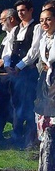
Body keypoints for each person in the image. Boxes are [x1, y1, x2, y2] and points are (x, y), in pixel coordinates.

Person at [7, 0, 41, 149]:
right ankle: (16, 136)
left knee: (28, 105)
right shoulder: (15, 30)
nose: (20, 13)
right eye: (19, 11)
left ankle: (29, 140)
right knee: (16, 104)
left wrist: (19, 67)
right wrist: (8, 66)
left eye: (23, 10)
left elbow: (34, 51)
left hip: (28, 72)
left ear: (31, 10)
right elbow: (8, 50)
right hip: (15, 73)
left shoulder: (37, 28)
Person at [0, 8, 18, 144]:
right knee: (1, 105)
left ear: (11, 19)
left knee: (13, 105)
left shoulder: (17, 34)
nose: (0, 22)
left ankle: (16, 135)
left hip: (12, 75)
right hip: (3, 76)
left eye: (3, 20)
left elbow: (15, 53)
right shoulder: (7, 36)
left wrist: (4, 61)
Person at [34, 8, 55, 140]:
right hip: (45, 77)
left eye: (48, 19)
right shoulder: (43, 39)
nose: (44, 23)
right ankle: (45, 142)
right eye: (41, 20)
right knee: (42, 105)